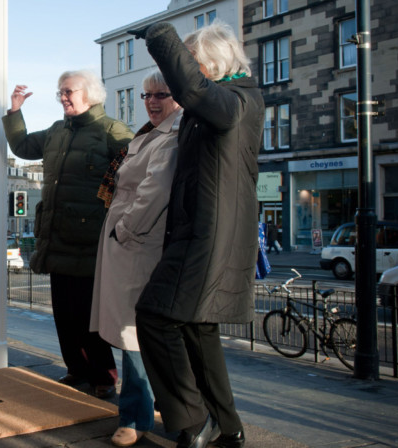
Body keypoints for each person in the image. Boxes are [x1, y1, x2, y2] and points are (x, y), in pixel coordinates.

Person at [129, 21, 264, 448]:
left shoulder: (239, 100)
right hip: (198, 232)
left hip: (209, 238)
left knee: (155, 314)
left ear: (214, 64)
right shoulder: (219, 102)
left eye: (193, 64)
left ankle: (192, 419)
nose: (184, 74)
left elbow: (196, 93)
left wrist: (161, 37)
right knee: (196, 329)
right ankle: (228, 425)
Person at [2, 70, 134, 398]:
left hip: (93, 242)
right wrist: (15, 110)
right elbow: (21, 145)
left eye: (68, 91)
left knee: (91, 315)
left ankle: (104, 378)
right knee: (64, 314)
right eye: (60, 92)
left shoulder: (112, 131)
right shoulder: (57, 131)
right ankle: (77, 371)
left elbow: (135, 176)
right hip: (57, 237)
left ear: (90, 94)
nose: (62, 97)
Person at [90, 69, 182, 447]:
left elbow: (154, 190)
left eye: (162, 94)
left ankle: (136, 415)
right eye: (147, 95)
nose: (152, 102)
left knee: (133, 334)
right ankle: (156, 411)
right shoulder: (150, 133)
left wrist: (124, 230)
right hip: (128, 243)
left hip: (139, 244)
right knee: (136, 333)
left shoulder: (172, 135)